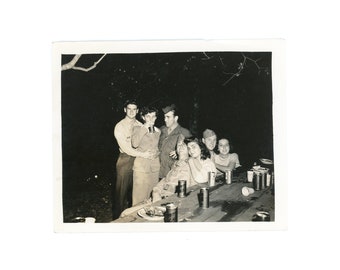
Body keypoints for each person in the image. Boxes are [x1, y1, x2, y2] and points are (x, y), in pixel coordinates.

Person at [112, 100, 153, 219]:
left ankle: (134, 219)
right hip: (125, 159)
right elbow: (126, 148)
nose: (131, 111)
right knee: (121, 193)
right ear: (125, 110)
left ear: (138, 111)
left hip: (140, 160)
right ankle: (117, 220)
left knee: (136, 192)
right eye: (129, 109)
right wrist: (144, 154)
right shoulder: (119, 126)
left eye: (134, 109)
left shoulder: (141, 125)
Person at [131, 106, 161, 206]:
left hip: (154, 168)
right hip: (141, 168)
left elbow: (157, 148)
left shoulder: (158, 131)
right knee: (139, 198)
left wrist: (156, 153)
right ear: (143, 117)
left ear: (156, 117)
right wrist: (144, 128)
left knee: (152, 197)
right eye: (148, 116)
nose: (151, 119)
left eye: (153, 116)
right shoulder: (137, 129)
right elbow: (134, 144)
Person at [158, 104, 192, 179]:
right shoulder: (161, 130)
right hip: (157, 172)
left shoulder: (184, 132)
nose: (165, 120)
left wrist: (179, 152)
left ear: (176, 118)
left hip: (172, 174)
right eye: (164, 117)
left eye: (168, 117)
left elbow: (194, 150)